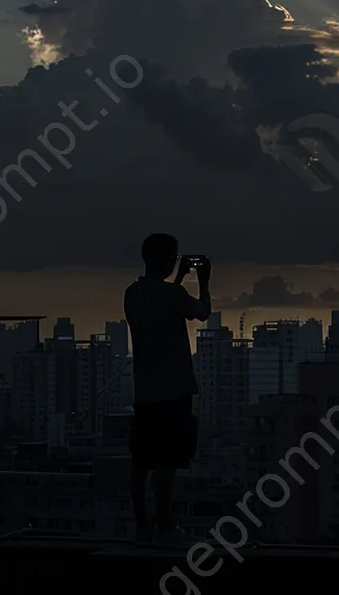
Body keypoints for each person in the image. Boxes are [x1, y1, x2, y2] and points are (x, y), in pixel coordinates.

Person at [124, 233, 211, 546]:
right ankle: (164, 525)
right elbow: (202, 311)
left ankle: (142, 525)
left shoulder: (132, 294)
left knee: (141, 460)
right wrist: (203, 280)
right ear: (166, 259)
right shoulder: (171, 294)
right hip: (173, 389)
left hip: (145, 391)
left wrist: (178, 277)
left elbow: (162, 297)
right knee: (166, 462)